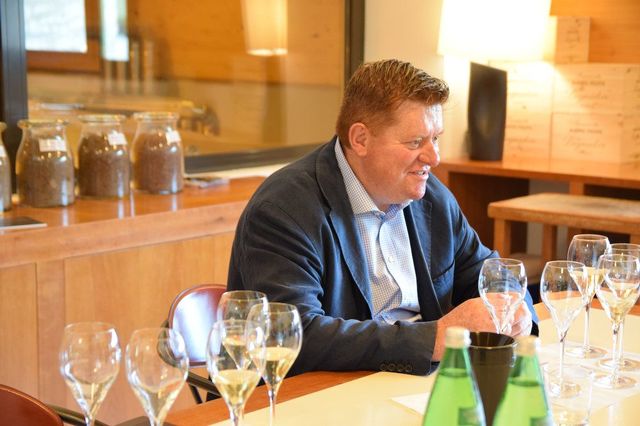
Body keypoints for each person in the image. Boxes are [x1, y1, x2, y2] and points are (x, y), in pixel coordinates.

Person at [227, 59, 536, 376]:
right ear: (360, 139)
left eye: (435, 138)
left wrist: (514, 307)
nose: (434, 157)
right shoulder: (284, 210)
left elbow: (489, 271)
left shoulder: (432, 197)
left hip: (421, 379)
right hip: (331, 387)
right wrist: (434, 338)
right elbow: (295, 335)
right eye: (416, 142)